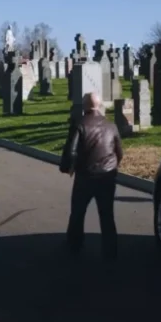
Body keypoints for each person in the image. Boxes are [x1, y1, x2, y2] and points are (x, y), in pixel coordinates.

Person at [59, 92, 123, 259]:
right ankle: (111, 250)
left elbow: (71, 151)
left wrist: (68, 168)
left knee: (78, 212)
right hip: (107, 176)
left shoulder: (79, 124)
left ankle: (74, 244)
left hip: (85, 175)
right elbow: (119, 151)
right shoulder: (111, 126)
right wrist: (113, 167)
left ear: (84, 106)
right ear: (99, 105)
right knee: (107, 214)